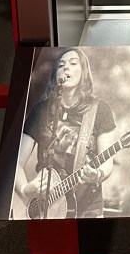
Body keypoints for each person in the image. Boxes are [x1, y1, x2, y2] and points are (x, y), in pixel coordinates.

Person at [13, 47, 117, 219]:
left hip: (87, 208)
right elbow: (16, 162)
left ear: (84, 72)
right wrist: (25, 189)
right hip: (45, 211)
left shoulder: (100, 110)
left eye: (73, 63)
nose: (66, 68)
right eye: (60, 65)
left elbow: (107, 162)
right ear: (55, 76)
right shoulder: (41, 111)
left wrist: (96, 175)